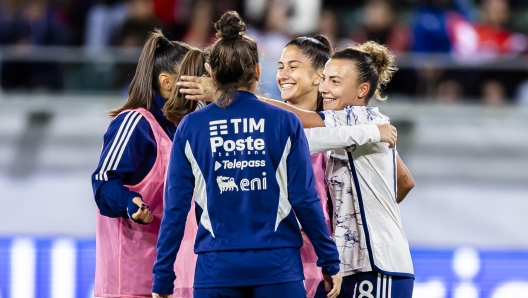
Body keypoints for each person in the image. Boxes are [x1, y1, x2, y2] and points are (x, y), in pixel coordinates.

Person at [177, 40, 415, 297]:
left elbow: (301, 139)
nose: (326, 87)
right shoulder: (353, 129)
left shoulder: (358, 118)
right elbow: (405, 181)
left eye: (334, 81)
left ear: (362, 90)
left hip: (370, 262)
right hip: (332, 261)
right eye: (280, 66)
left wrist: (233, 97)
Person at [152, 11, 343, 298]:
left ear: (211, 72)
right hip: (278, 268)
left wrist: (163, 276)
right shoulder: (284, 121)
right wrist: (329, 260)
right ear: (256, 70)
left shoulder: (191, 126)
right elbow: (304, 198)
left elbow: (176, 208)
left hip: (216, 269)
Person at [91, 29, 193, 298]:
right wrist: (129, 203)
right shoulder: (134, 123)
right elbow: (103, 182)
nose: (200, 85)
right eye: (192, 77)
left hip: (170, 280)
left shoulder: (182, 129)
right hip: (132, 283)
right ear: (167, 83)